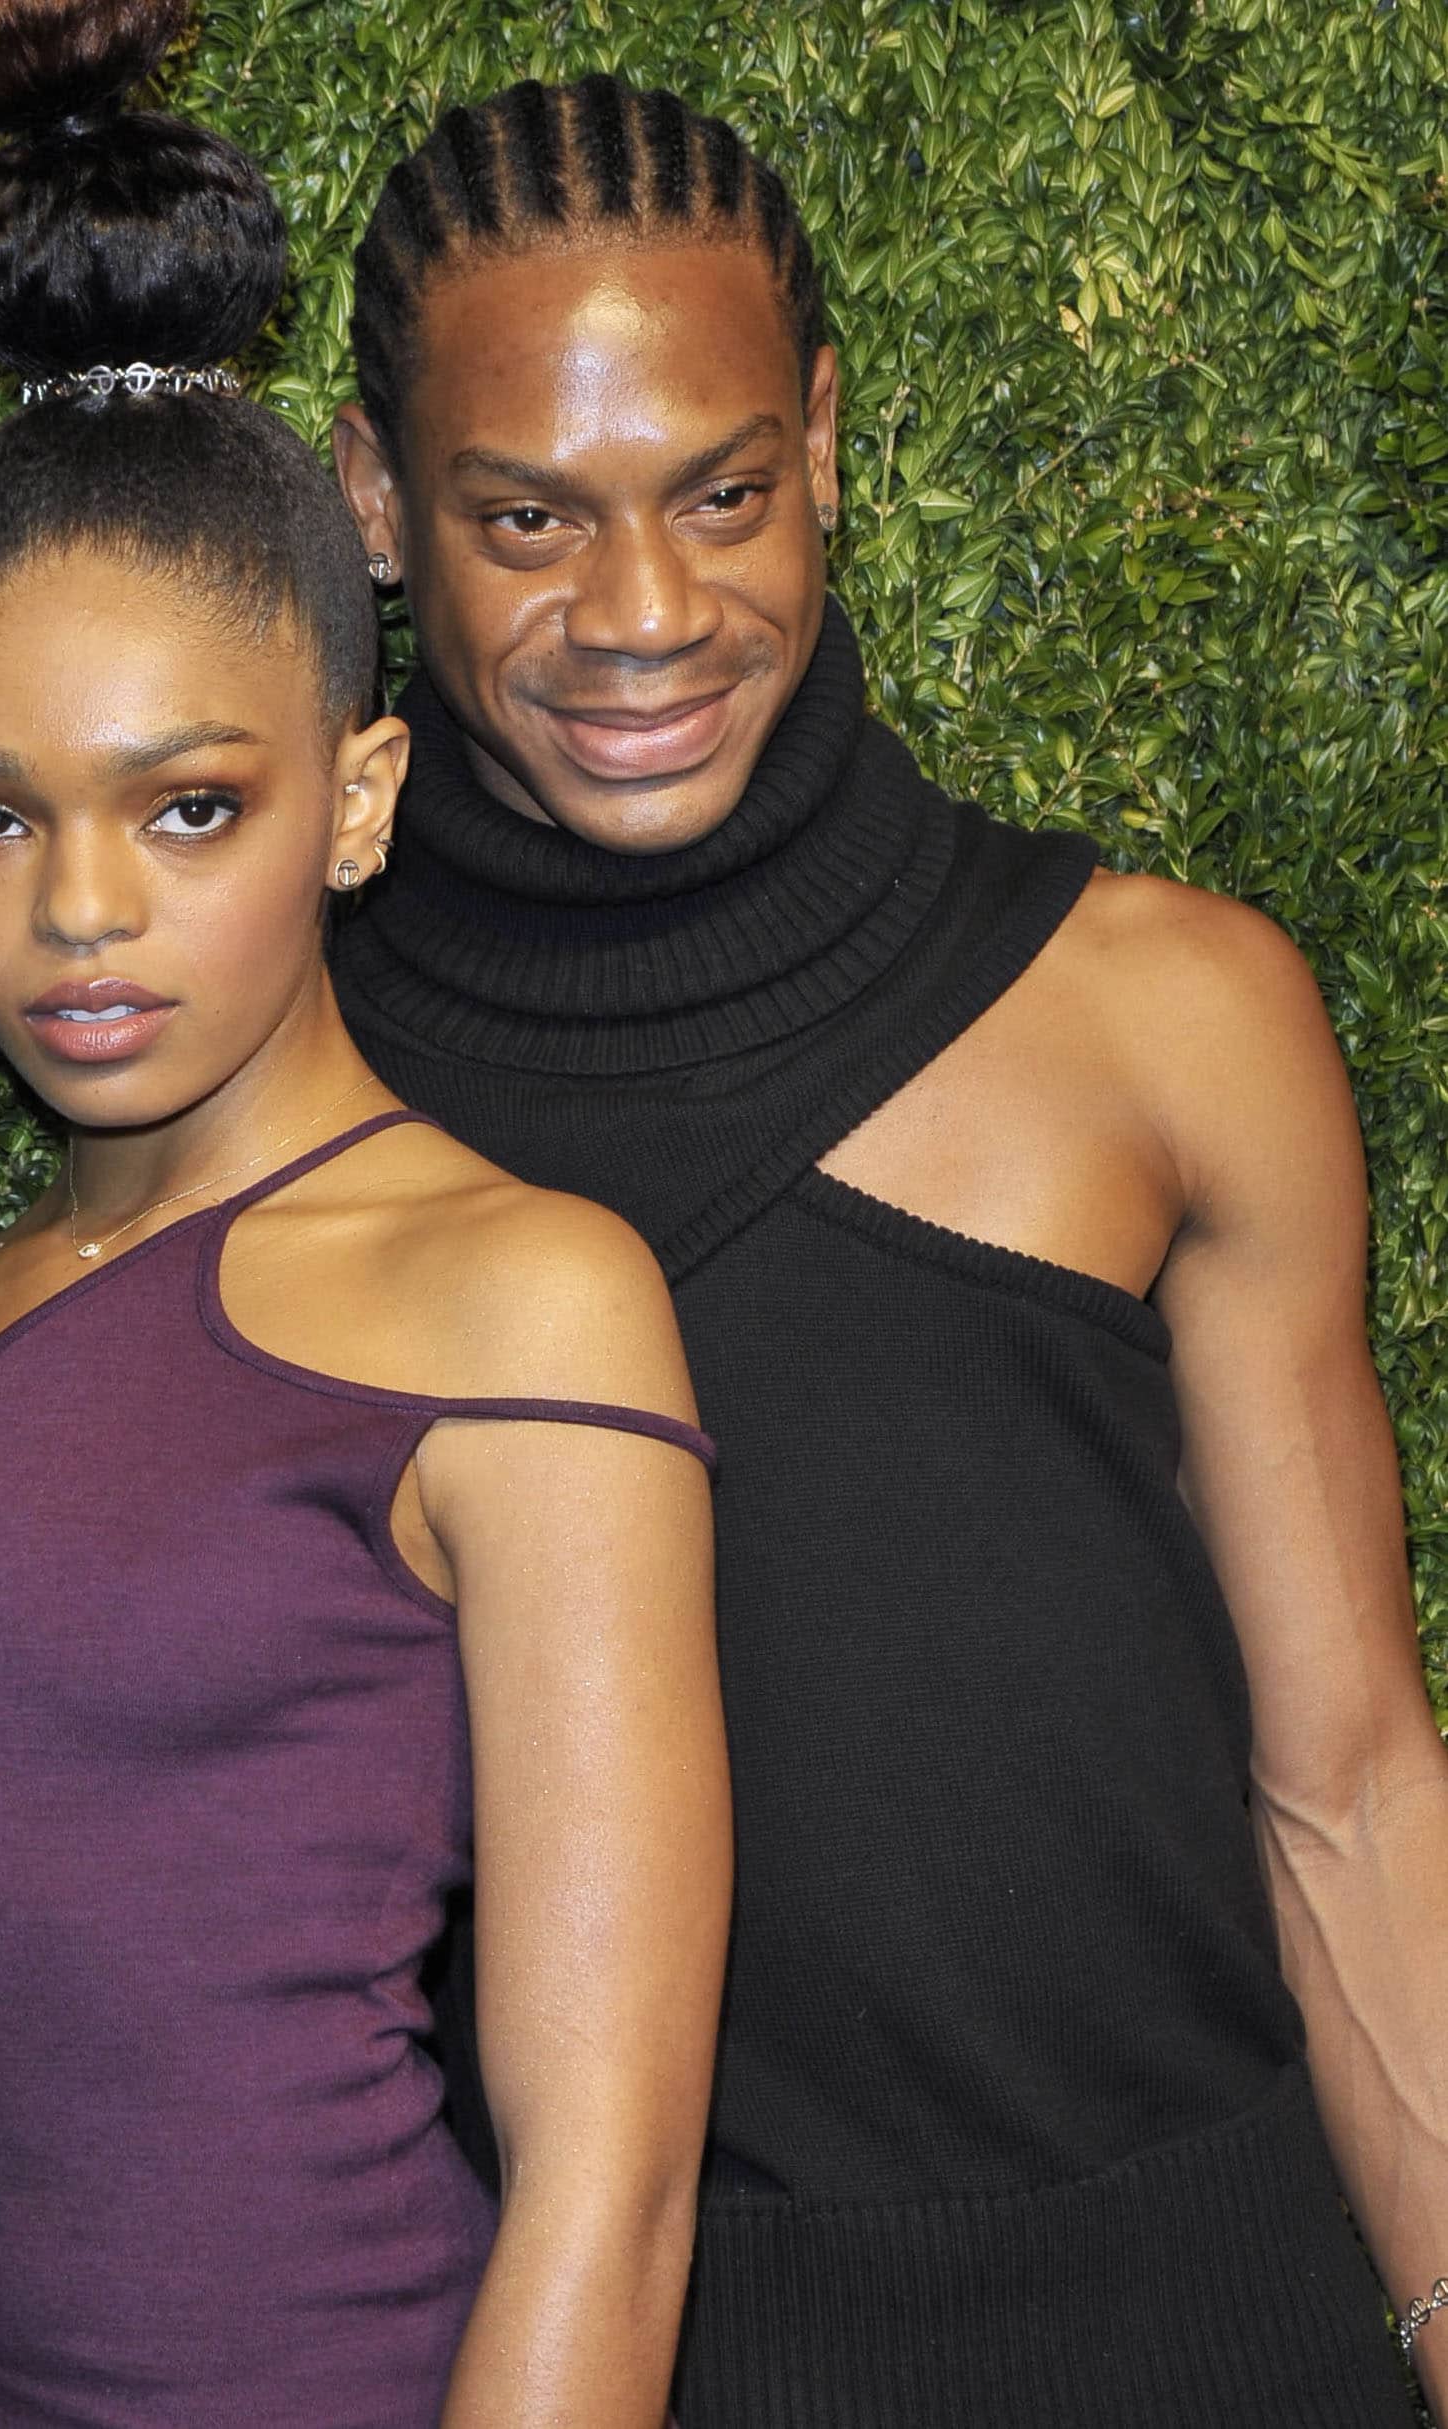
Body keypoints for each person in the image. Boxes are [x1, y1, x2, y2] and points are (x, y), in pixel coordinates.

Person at [0, 24, 731, 2429]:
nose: (81, 915)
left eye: (189, 809)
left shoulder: (525, 1295)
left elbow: (609, 2187)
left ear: (355, 802)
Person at [324, 72, 1448, 2429]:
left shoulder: (1171, 1016)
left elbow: (1349, 1786)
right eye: (528, 518)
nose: (643, 614)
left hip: (1224, 2351)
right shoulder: (287, 1111)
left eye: (719, 494)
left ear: (826, 444)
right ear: (373, 507)